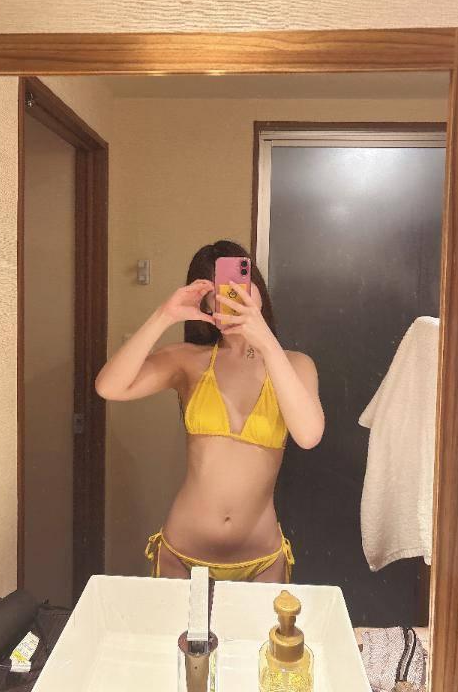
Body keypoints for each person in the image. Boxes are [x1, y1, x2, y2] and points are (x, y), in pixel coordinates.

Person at [95, 240, 324, 582]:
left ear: (257, 288)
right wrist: (164, 316)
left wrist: (264, 340)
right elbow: (108, 387)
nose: (230, 297)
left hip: (262, 560)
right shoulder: (189, 360)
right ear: (203, 303)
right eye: (215, 292)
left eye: (239, 284)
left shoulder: (295, 364)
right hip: (182, 556)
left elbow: (308, 435)